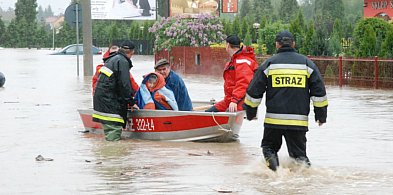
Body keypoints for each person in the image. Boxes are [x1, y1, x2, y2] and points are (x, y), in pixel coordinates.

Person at [243, 30, 328, 171]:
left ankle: (275, 174)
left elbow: (254, 91)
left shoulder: (269, 64)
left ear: (277, 45)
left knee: (269, 148)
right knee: (299, 157)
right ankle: (307, 180)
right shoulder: (307, 64)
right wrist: (321, 116)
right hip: (298, 122)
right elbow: (319, 92)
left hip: (273, 122)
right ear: (293, 44)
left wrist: (251, 113)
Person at [93, 40, 137, 141]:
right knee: (113, 135)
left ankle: (109, 156)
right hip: (110, 104)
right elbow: (124, 85)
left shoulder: (111, 60)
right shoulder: (122, 62)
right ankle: (113, 156)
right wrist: (131, 101)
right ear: (132, 52)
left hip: (101, 102)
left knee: (109, 133)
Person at [206, 34, 258, 112]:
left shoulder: (242, 62)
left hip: (238, 102)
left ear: (228, 45)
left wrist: (234, 101)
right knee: (209, 113)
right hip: (230, 101)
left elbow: (243, 83)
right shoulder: (235, 61)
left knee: (210, 115)